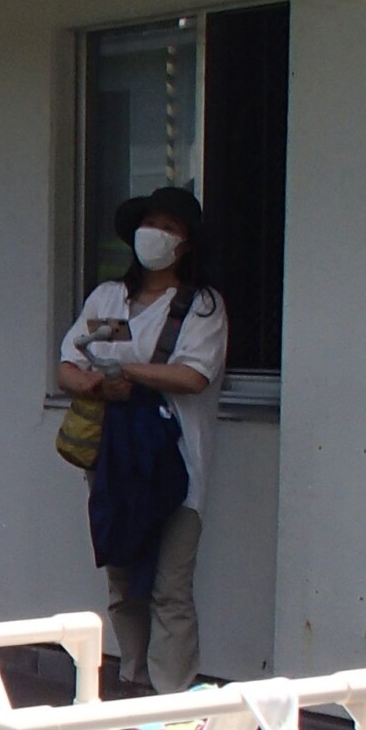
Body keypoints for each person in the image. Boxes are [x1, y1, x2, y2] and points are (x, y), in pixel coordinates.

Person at [57, 186, 228, 695]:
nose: (156, 235)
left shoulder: (202, 307)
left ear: (187, 242)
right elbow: (68, 365)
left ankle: (172, 700)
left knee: (171, 587)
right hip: (114, 463)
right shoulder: (108, 297)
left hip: (179, 469)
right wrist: (94, 383)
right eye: (150, 223)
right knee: (123, 582)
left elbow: (195, 376)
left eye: (170, 228)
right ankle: (132, 681)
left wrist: (125, 369)